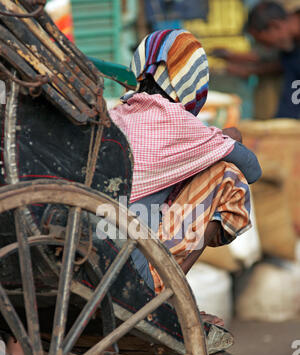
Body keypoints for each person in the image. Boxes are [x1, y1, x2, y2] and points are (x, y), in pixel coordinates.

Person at [110, 29, 262, 327]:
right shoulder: (179, 123)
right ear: (192, 79)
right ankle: (169, 295)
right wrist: (229, 138)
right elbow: (252, 169)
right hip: (132, 270)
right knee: (226, 175)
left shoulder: (117, 115)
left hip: (99, 257)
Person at [213, 1, 300, 119]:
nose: (267, 48)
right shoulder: (290, 48)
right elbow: (277, 62)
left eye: (264, 43)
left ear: (275, 26)